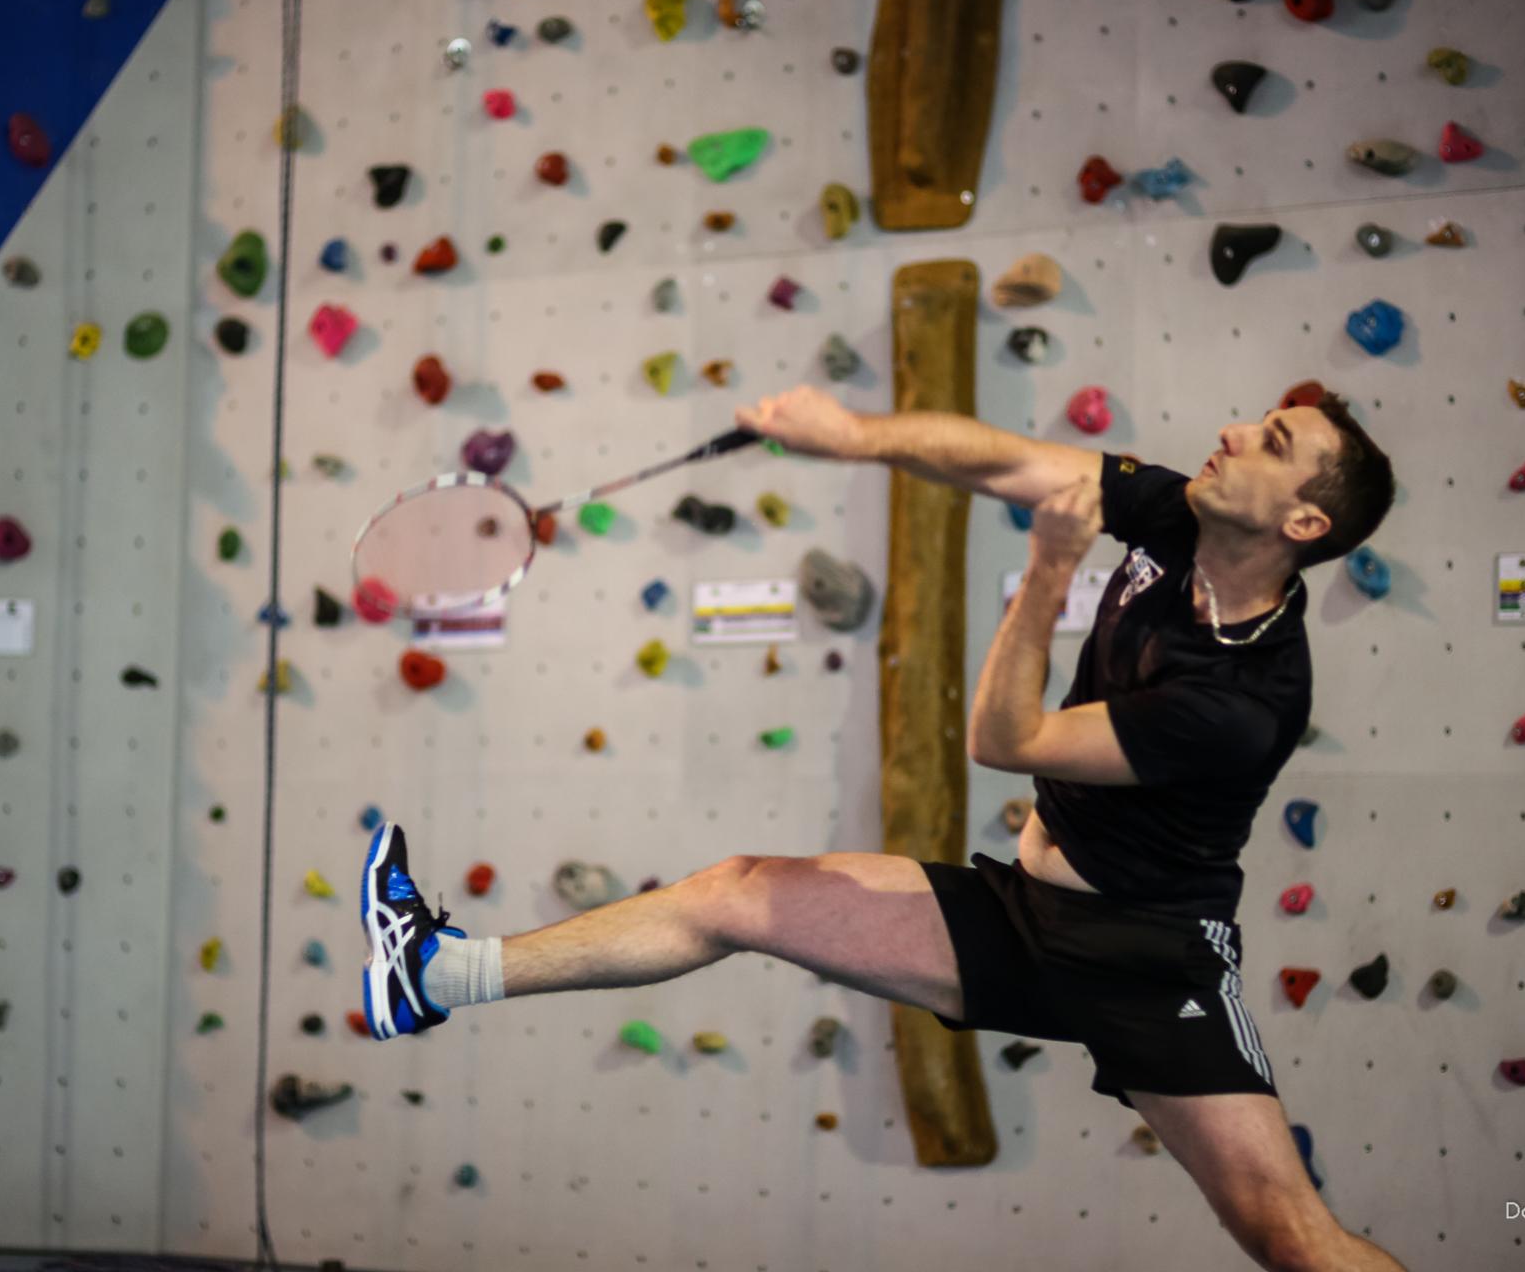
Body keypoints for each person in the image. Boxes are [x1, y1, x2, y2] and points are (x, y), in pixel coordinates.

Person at [358, 385, 1403, 1272]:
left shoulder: (1243, 700)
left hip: (1148, 955)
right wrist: (852, 434)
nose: (1234, 432)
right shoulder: (1181, 514)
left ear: (1304, 523)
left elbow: (1005, 738)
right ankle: (437, 972)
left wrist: (1050, 571)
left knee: (1292, 1238)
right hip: (1022, 914)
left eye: (1273, 443)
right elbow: (1001, 459)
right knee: (736, 892)